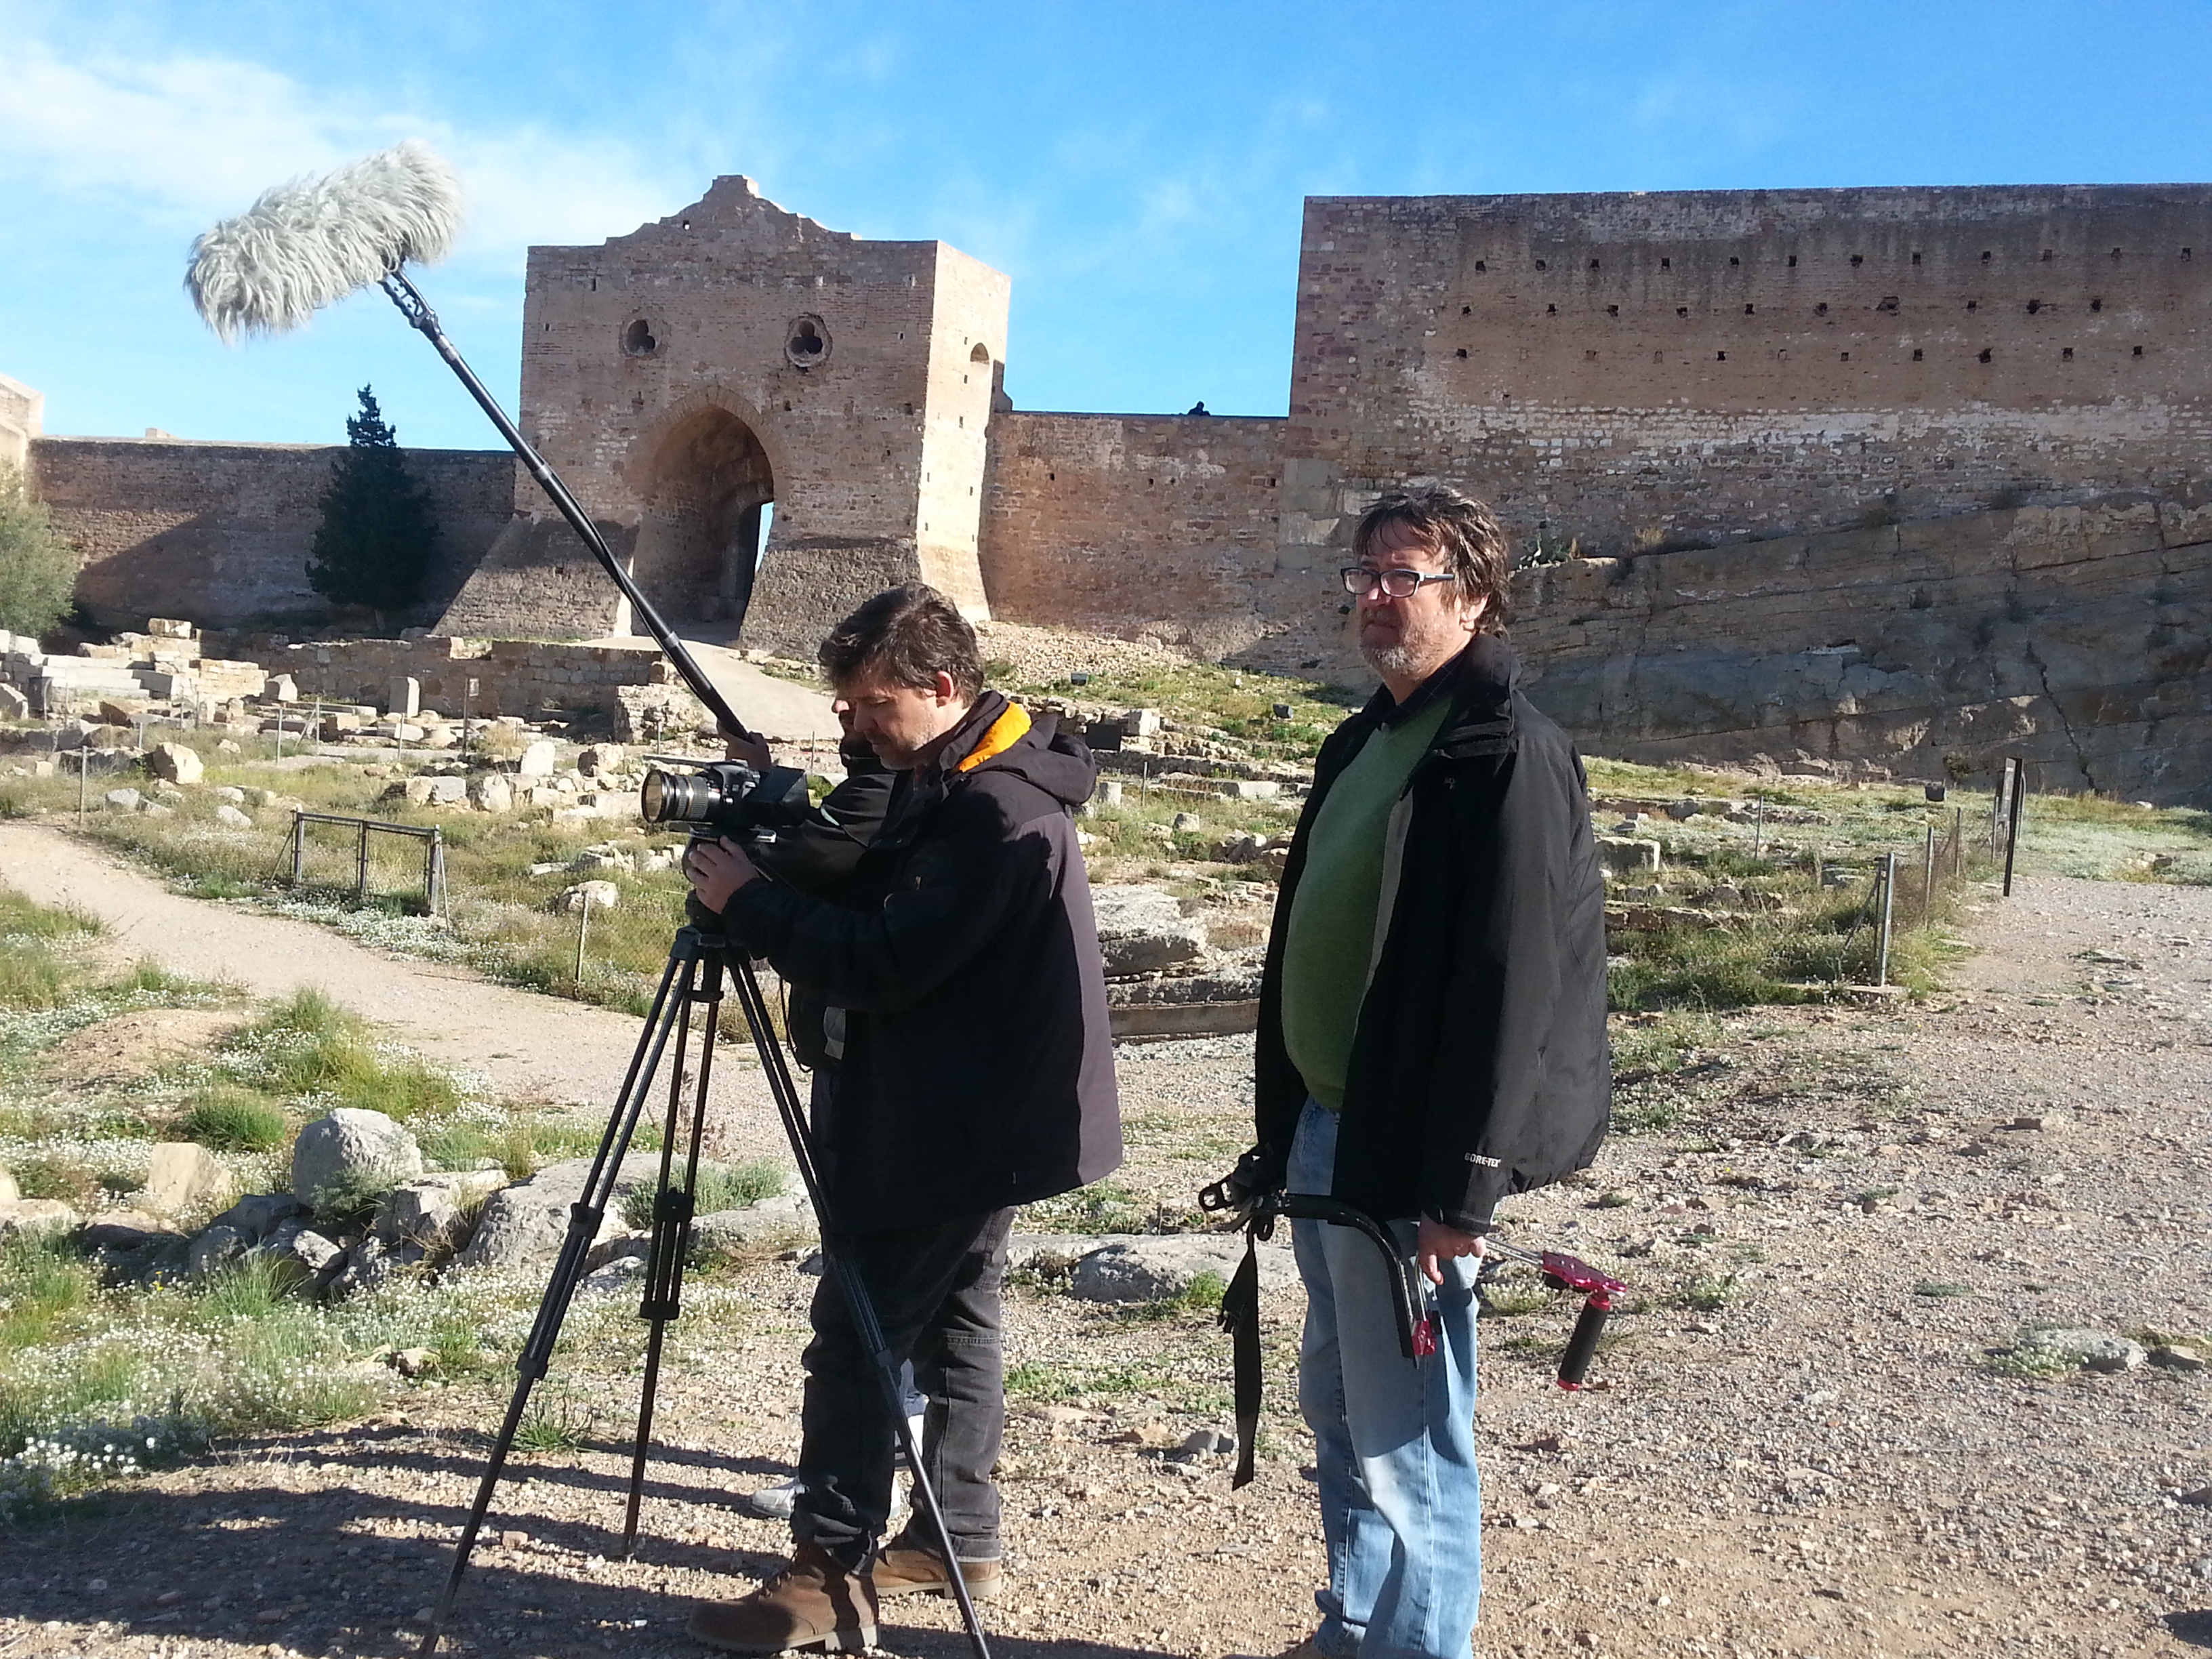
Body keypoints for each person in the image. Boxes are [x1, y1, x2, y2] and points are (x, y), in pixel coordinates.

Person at [683, 583, 1122, 1655]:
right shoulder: (962, 775)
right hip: (978, 1110)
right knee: (957, 1319)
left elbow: (884, 960)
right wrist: (792, 808)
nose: (863, 727)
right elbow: (871, 872)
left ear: (943, 687)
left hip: (948, 1120)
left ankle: (827, 1577)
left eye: (877, 706)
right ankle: (954, 1535)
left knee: (859, 1334)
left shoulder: (993, 812)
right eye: (850, 708)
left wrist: (749, 901)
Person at [1240, 485, 1610, 1659]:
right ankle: (1355, 1625)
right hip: (1328, 1130)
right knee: (1340, 1406)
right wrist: (1278, 1132)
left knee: (1409, 1435)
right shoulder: (1361, 740)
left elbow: (1517, 985)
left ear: (1477, 598)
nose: (1377, 596)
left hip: (1411, 1153)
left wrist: (1466, 1188)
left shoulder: (1509, 750)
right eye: (1365, 574)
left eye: (1408, 576)